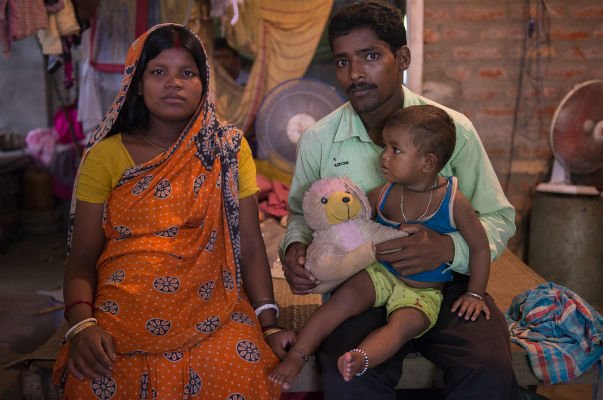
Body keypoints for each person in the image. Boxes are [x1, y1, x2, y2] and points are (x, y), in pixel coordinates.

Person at [279, 1, 520, 399]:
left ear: (402, 58)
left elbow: (497, 218)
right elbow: (300, 215)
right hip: (363, 284)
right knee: (347, 375)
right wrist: (295, 248)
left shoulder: (452, 131)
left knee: (488, 368)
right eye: (342, 62)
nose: (356, 73)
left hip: (446, 283)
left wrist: (447, 248)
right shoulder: (319, 139)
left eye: (371, 56)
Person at [52, 24, 291, 399]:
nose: (173, 83)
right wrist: (82, 325)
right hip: (123, 304)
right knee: (94, 375)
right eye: (158, 72)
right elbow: (81, 257)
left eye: (187, 73)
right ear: (137, 82)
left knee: (240, 365)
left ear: (204, 83)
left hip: (212, 302)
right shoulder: (106, 156)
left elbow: (250, 244)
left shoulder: (227, 149)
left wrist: (269, 324)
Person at [270, 104, 493, 388]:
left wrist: (475, 293)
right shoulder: (386, 193)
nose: (383, 156)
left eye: (395, 150)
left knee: (402, 326)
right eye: (385, 146)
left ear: (427, 163)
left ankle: (361, 359)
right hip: (381, 273)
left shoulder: (453, 201)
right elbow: (352, 219)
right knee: (342, 300)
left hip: (422, 292)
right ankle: (297, 355)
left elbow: (480, 248)